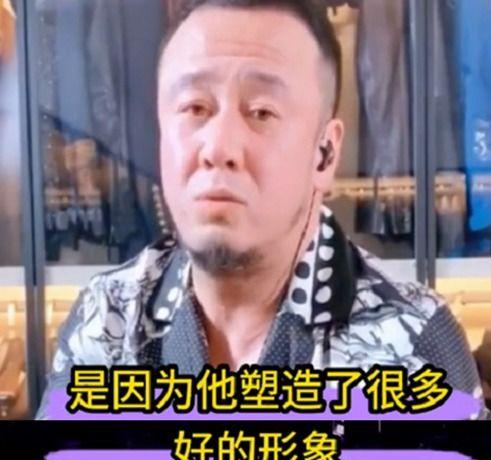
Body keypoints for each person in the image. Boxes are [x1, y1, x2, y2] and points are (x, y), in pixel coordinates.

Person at [36, 0, 486, 419]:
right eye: (194, 107)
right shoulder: (107, 317)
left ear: (325, 154)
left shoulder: (412, 342)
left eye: (262, 112)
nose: (218, 147)